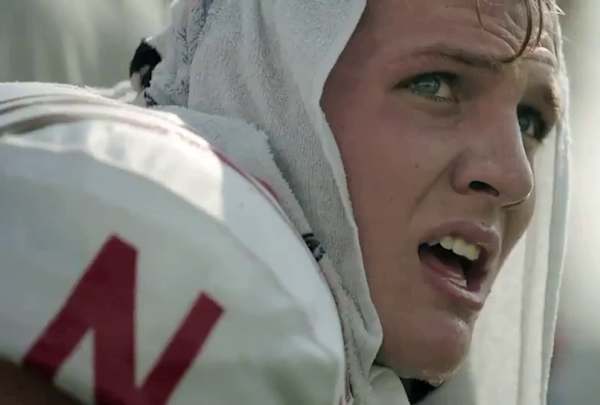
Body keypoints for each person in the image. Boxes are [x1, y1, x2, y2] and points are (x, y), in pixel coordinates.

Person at [0, 0, 570, 404]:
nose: (515, 176)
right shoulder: (211, 249)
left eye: (530, 121)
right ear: (269, 80)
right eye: (435, 85)